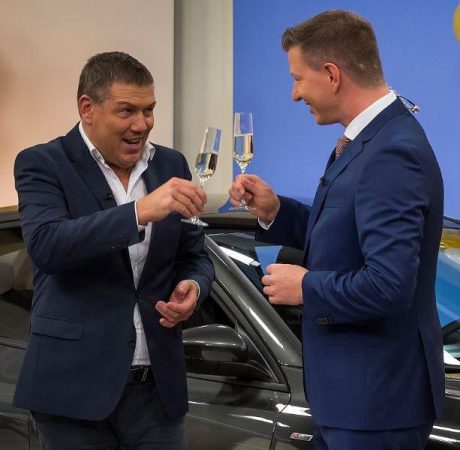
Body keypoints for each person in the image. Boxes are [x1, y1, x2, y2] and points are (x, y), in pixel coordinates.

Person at [229, 10, 444, 450]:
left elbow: (390, 284)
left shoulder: (391, 151)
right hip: (355, 402)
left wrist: (306, 287)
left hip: (376, 405)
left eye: (298, 79)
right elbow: (346, 235)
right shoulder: (375, 139)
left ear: (331, 74)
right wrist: (276, 211)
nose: (294, 94)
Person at [14, 51, 214, 450]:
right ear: (87, 108)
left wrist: (193, 287)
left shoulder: (171, 165)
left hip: (158, 395)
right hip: (72, 394)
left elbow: (195, 256)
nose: (142, 124)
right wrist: (138, 212)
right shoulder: (43, 163)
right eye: (127, 111)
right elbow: (48, 246)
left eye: (149, 110)